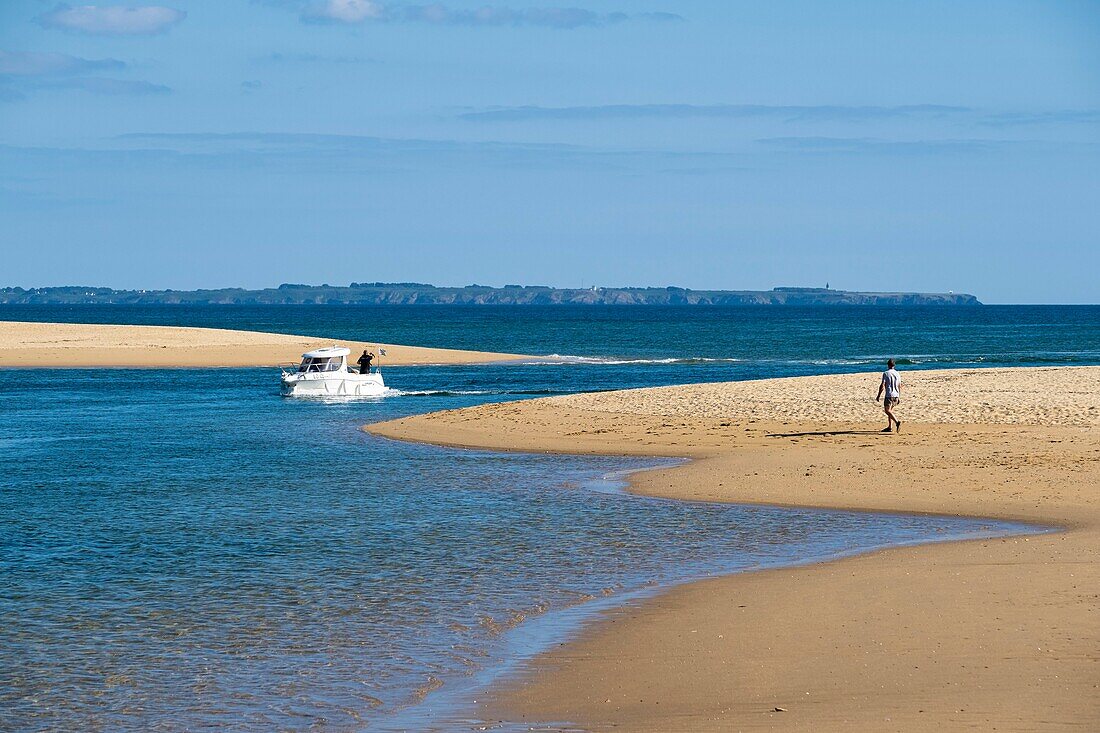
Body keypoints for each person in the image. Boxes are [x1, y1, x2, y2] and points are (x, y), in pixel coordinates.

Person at [876, 358, 902, 433]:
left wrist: (878, 395)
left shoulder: (886, 373)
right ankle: (890, 427)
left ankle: (897, 422)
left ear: (888, 365)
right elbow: (899, 385)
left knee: (887, 411)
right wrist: (899, 396)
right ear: (894, 365)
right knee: (890, 411)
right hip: (896, 395)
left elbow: (882, 385)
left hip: (889, 395)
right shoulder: (897, 373)